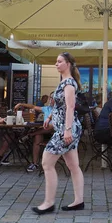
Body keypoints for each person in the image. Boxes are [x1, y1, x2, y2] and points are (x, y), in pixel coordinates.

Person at [32, 52, 84, 214]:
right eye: (56, 61)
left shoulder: (68, 83)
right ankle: (78, 201)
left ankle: (49, 203)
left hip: (66, 130)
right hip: (68, 128)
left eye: (59, 61)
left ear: (68, 64)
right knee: (73, 165)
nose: (56, 64)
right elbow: (59, 106)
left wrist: (67, 130)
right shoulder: (64, 82)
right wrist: (49, 116)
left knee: (47, 163)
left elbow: (70, 107)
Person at [15, 93, 54, 173]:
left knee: (49, 127)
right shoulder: (46, 108)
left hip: (54, 134)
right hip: (44, 131)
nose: (50, 100)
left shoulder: (60, 109)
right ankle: (35, 163)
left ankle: (29, 135)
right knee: (37, 137)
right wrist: (21, 104)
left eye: (53, 98)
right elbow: (33, 107)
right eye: (50, 98)